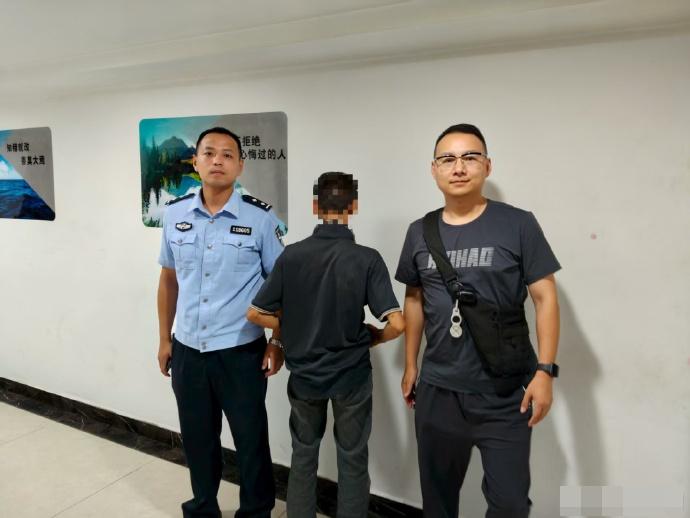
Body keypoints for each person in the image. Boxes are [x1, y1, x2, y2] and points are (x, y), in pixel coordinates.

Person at [395, 124, 561, 518]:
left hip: (504, 392)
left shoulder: (518, 224)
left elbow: (545, 298)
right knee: (437, 501)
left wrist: (545, 371)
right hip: (438, 391)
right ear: (434, 169)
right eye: (447, 159)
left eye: (470, 157)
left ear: (487, 166)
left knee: (510, 504)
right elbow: (414, 298)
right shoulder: (419, 232)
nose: (458, 168)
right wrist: (411, 364)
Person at [246, 172, 405, 518]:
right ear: (354, 206)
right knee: (353, 457)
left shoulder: (292, 256)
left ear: (316, 206)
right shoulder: (367, 258)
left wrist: (290, 327)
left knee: (303, 454)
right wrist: (374, 337)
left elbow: (255, 313)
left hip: (305, 376)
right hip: (352, 377)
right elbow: (398, 323)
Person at [157, 127, 285, 518]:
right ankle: (202, 507)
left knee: (250, 440)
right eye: (209, 153)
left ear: (240, 166)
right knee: (198, 439)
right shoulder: (175, 214)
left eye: (228, 154)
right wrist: (164, 339)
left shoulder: (261, 219)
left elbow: (283, 287)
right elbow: (168, 280)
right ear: (195, 162)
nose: (218, 160)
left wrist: (277, 341)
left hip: (241, 352)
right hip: (188, 349)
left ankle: (256, 511)